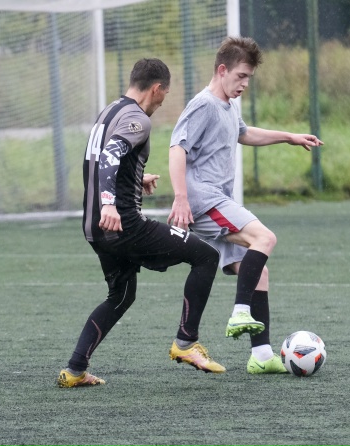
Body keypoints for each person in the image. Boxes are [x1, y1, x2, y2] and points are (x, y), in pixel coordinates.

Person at [57, 58, 225, 388]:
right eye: (165, 94)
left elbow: (99, 160)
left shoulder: (109, 111)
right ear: (156, 89)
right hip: (124, 225)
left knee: (121, 296)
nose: (163, 102)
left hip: (94, 228)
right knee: (206, 256)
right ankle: (186, 342)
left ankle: (74, 370)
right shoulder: (138, 119)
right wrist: (111, 204)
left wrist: (134, 179)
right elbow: (109, 157)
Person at [167, 37, 323, 375]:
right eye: (240, 76)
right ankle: (240, 311)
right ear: (222, 70)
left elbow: (244, 133)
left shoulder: (227, 105)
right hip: (205, 199)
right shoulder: (204, 104)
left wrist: (289, 137)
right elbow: (177, 147)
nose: (245, 84)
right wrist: (180, 197)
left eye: (249, 78)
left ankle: (261, 355)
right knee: (264, 238)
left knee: (258, 271)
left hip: (218, 200)